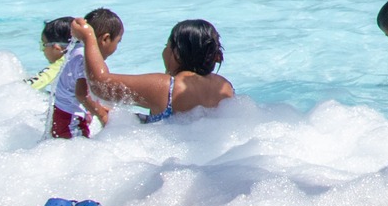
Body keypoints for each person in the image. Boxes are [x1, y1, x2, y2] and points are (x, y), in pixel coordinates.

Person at [71, 16, 235, 121]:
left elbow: (100, 84)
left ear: (177, 53)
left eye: (167, 46)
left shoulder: (167, 87)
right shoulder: (225, 87)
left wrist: (89, 38)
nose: (164, 51)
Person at [50, 8, 123, 138]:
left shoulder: (77, 49)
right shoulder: (85, 60)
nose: (117, 47)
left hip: (61, 117)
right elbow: (81, 94)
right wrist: (103, 116)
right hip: (69, 121)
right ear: (106, 39)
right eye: (118, 41)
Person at [29, 17, 76, 93]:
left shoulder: (63, 64)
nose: (42, 50)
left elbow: (29, 86)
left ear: (56, 48)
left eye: (43, 45)